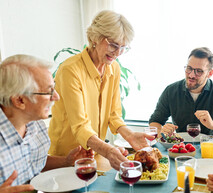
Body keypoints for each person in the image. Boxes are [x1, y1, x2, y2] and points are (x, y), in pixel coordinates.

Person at [48, 10, 153, 170]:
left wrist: (129, 135)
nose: (118, 53)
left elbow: (113, 114)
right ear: (95, 37)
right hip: (66, 157)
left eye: (123, 47)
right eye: (113, 45)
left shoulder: (113, 68)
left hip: (93, 153)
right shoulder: (70, 70)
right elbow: (80, 125)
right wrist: (108, 150)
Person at [0, 54, 93, 193]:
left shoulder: (35, 123)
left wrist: (66, 161)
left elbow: (32, 163)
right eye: (48, 91)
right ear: (19, 100)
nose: (56, 97)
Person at [149, 47, 213, 139]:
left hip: (212, 150)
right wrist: (161, 131)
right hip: (180, 149)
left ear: (210, 73)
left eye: (199, 71)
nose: (191, 75)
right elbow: (155, 122)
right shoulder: (171, 91)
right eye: (189, 68)